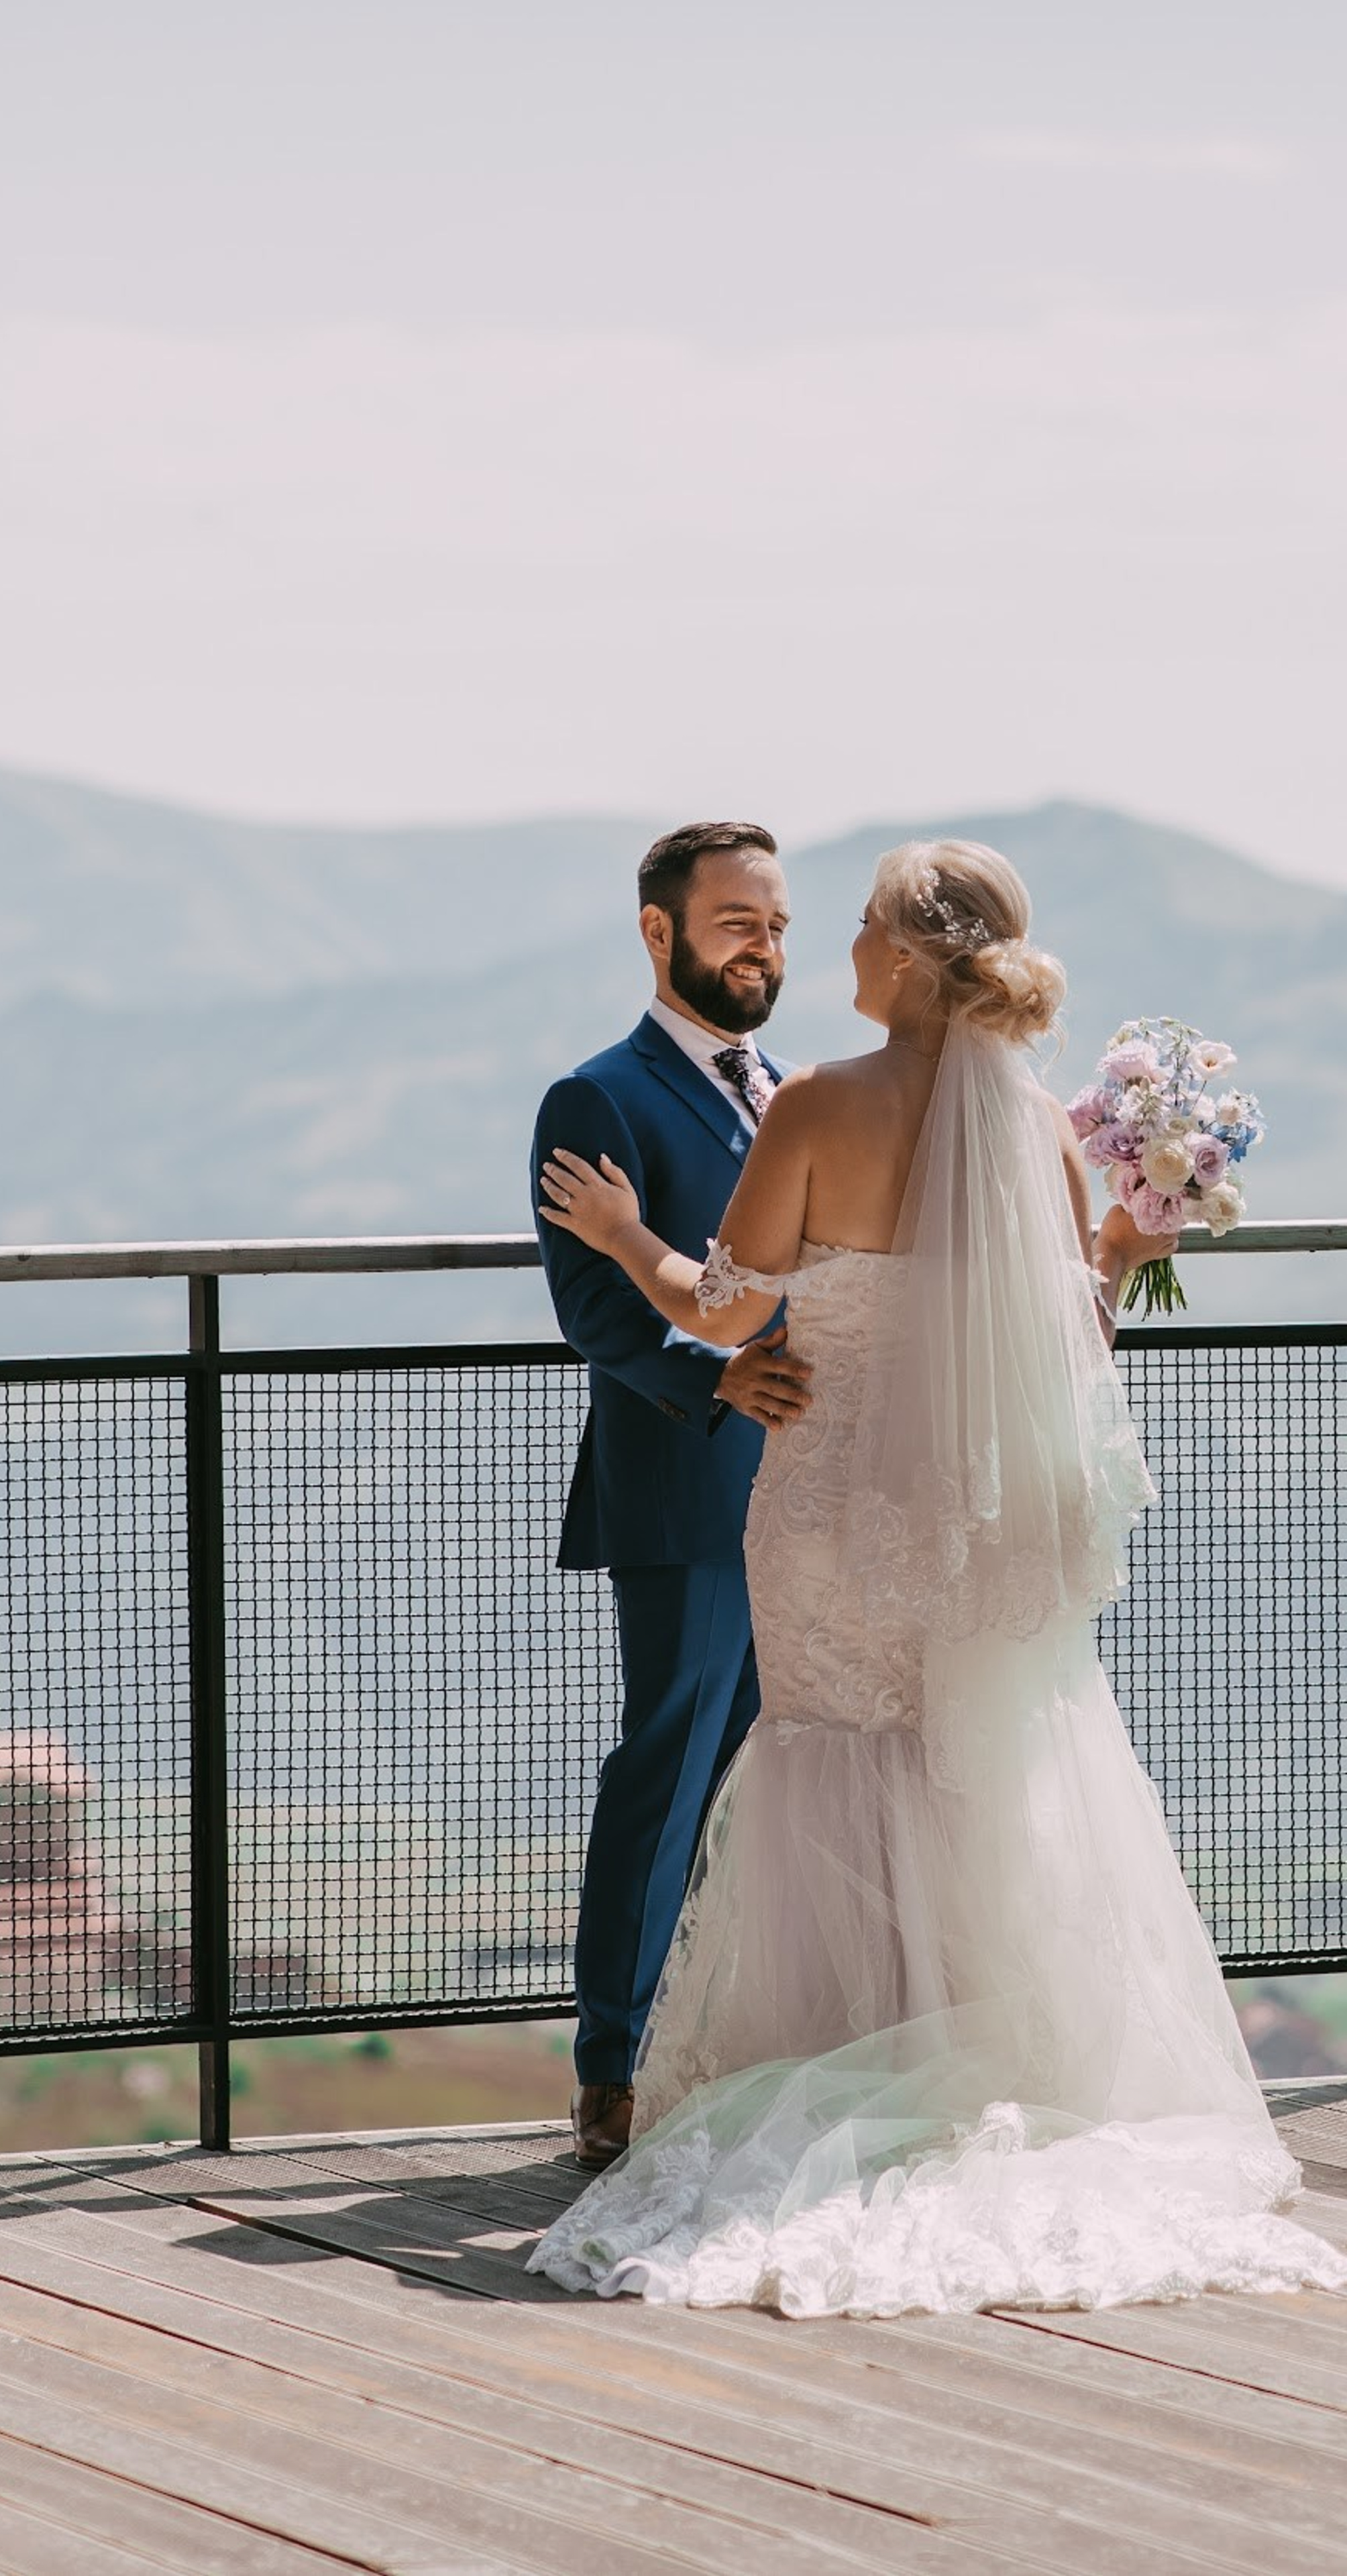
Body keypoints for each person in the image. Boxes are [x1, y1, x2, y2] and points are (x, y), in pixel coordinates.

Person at [529, 837, 1347, 2314]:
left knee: (825, 1764)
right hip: (970, 1526)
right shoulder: (1037, 1122)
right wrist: (1125, 1237)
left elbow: (726, 1310)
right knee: (959, 1763)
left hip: (829, 1512)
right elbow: (1073, 1337)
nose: (831, 950)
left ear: (908, 961)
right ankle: (970, 2045)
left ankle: (834, 2055)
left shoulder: (814, 1104)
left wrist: (622, 1237)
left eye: (850, 928)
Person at [531, 820, 814, 2174]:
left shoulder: (793, 1091)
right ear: (660, 933)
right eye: (736, 924)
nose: (764, 948)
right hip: (685, 1490)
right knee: (666, 1770)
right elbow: (594, 1311)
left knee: (778, 1780)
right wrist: (715, 1382)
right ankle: (610, 2071)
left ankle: (737, 2049)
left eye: (774, 925)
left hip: (814, 1493)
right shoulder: (596, 1101)